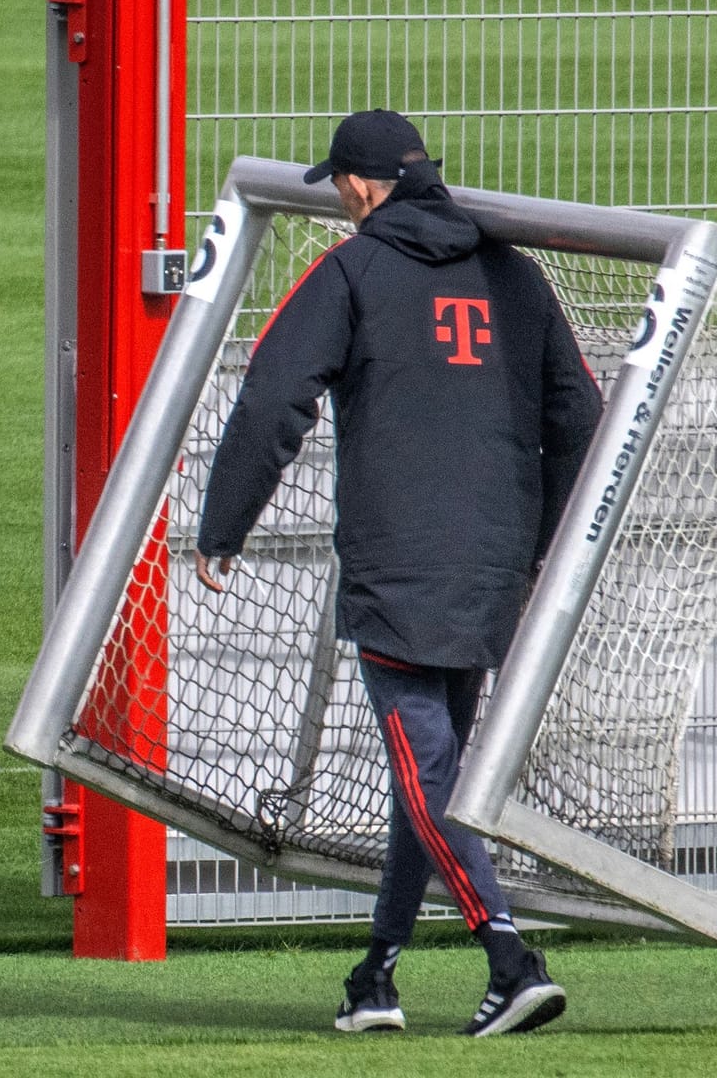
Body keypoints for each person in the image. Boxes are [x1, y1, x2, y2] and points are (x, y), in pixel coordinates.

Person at [193, 110, 602, 1036]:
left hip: (399, 561)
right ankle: (375, 976)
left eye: (339, 184)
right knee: (424, 776)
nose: (339, 199)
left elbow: (269, 402)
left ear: (361, 186)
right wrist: (542, 545)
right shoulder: (518, 272)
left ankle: (511, 959)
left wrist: (222, 531)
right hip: (498, 562)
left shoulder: (352, 271)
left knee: (428, 771)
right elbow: (580, 419)